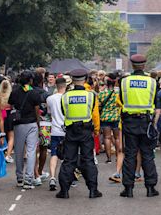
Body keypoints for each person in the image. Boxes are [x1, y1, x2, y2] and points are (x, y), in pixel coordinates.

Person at [57, 69, 102, 199]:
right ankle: (93, 190)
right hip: (86, 131)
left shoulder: (65, 96)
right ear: (85, 79)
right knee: (88, 160)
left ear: (72, 79)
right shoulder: (91, 95)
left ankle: (64, 191)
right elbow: (93, 113)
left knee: (68, 160)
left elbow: (64, 112)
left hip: (71, 131)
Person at [118, 54, 158, 198]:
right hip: (146, 122)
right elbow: (155, 100)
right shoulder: (153, 82)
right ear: (144, 65)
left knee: (130, 155)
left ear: (132, 65)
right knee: (147, 154)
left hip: (129, 122)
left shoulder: (124, 81)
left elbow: (122, 99)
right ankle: (150, 188)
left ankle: (128, 188)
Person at [8, 71, 42, 190]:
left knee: (18, 151)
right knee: (32, 151)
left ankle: (19, 177)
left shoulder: (15, 91)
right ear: (31, 80)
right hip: (31, 123)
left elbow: (11, 105)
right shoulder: (34, 93)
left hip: (18, 124)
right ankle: (29, 179)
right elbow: (37, 109)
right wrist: (38, 123)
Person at [98, 75, 123, 183]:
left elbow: (98, 106)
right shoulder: (117, 94)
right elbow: (120, 104)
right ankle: (118, 155)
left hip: (104, 117)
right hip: (115, 117)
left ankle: (108, 158)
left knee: (107, 138)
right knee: (117, 138)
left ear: (106, 84)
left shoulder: (101, 94)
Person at [46, 78, 67, 191]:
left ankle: (53, 177)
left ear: (56, 86)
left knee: (54, 153)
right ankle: (66, 177)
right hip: (66, 130)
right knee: (67, 155)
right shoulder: (68, 97)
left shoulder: (50, 98)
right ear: (65, 86)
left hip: (55, 129)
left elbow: (49, 112)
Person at [33, 72, 51, 185]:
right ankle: (39, 171)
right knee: (44, 148)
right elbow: (48, 110)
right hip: (45, 123)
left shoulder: (30, 92)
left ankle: (35, 173)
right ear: (42, 81)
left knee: (33, 149)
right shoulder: (45, 94)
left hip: (32, 123)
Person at [0, 79, 14, 163]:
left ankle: (1, 153)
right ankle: (8, 155)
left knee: (2, 135)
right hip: (9, 115)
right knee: (11, 137)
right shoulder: (11, 95)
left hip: (1, 116)